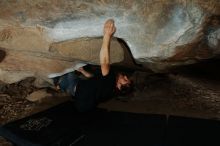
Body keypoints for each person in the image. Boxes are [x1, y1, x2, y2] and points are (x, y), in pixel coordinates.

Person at [53, 19, 133, 112]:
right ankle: (61, 86)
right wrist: (83, 71)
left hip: (75, 89)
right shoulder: (111, 92)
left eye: (126, 80)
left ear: (121, 86)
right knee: (71, 75)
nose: (125, 76)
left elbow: (105, 62)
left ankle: (58, 84)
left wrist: (107, 35)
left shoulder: (111, 80)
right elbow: (95, 78)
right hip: (81, 102)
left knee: (61, 73)